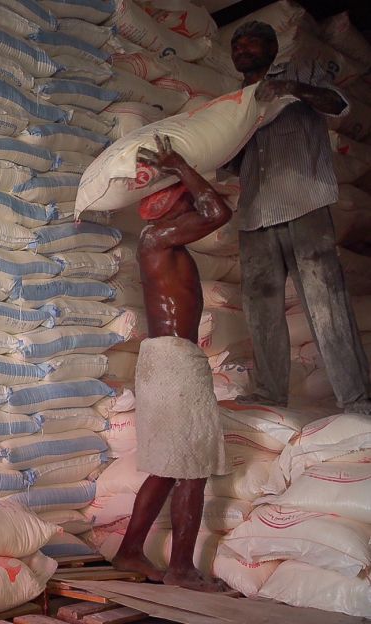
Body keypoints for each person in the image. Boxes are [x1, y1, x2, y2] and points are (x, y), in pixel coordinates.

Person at [228, 20, 371, 414]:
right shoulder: (236, 100)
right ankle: (270, 393)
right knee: (261, 308)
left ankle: (356, 397)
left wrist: (290, 89)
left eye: (250, 42)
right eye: (236, 45)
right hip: (255, 215)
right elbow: (231, 162)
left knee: (326, 300)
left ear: (272, 48)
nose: (241, 49)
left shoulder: (299, 73)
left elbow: (339, 104)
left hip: (304, 203)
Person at [110, 134, 232, 592]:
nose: (193, 211)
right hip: (176, 360)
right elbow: (218, 212)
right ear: (168, 209)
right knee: (193, 469)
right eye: (185, 202)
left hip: (165, 359)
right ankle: (181, 567)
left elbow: (209, 211)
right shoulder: (159, 236)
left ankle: (129, 551)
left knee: (165, 466)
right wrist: (181, 164)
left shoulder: (161, 242)